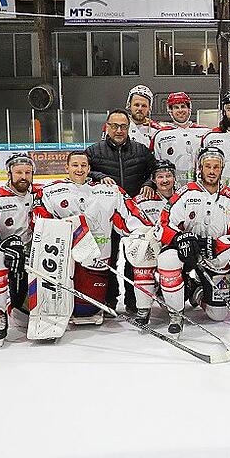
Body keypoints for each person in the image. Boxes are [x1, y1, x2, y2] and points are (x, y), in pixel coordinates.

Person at [33, 151, 152, 324]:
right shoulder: (50, 191)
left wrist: (144, 235)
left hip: (96, 261)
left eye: (83, 165)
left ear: (89, 168)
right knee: (63, 304)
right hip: (61, 262)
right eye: (75, 165)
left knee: (86, 311)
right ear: (66, 167)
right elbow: (40, 224)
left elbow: (132, 219)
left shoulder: (109, 191)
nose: (79, 169)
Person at [155, 147, 230, 335]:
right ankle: (176, 313)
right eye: (208, 166)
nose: (212, 171)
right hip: (186, 252)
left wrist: (215, 245)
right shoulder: (185, 193)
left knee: (218, 314)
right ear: (200, 167)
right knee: (167, 259)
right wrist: (179, 237)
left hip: (215, 257)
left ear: (222, 169)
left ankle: (194, 290)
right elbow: (162, 224)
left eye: (216, 167)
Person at [86, 109, 159, 314]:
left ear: (128, 128)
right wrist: (99, 175)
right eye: (114, 126)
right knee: (108, 258)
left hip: (133, 214)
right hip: (106, 216)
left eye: (123, 126)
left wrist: (150, 184)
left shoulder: (141, 150)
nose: (119, 130)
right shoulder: (94, 151)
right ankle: (109, 299)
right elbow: (82, 170)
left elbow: (154, 172)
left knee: (134, 257)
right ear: (107, 127)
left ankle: (133, 299)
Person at [0, 153, 39, 336]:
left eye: (28, 172)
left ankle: (21, 299)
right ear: (9, 173)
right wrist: (5, 245)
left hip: (29, 253)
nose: (23, 177)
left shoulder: (39, 193)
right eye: (18, 172)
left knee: (23, 320)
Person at [151, 91, 212, 189]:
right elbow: (156, 165)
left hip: (200, 189)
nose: (180, 110)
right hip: (172, 190)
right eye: (176, 107)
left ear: (189, 109)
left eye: (183, 106)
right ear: (170, 111)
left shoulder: (205, 132)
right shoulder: (160, 135)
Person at [135, 160, 176, 228]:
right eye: (160, 177)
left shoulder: (182, 198)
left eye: (168, 176)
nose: (165, 180)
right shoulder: (142, 202)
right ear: (153, 180)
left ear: (174, 178)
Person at [125, 85, 164, 149]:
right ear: (129, 105)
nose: (140, 109)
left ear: (149, 108)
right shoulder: (118, 126)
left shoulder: (156, 130)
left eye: (144, 106)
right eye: (136, 105)